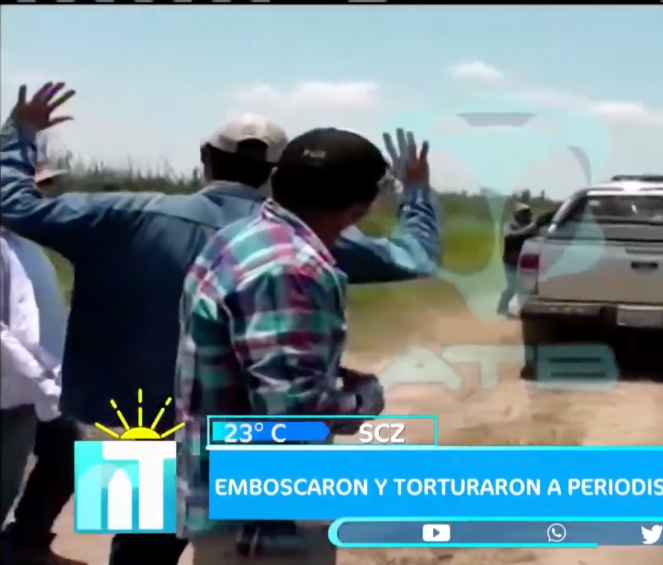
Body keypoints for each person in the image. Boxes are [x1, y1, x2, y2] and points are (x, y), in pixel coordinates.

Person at [0, 82, 439, 564]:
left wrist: (20, 135)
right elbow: (415, 256)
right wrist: (415, 192)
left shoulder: (122, 215)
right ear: (276, 175)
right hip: (243, 448)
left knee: (136, 553)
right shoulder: (292, 240)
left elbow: (15, 204)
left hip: (134, 421)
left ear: (206, 157)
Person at [177, 127, 405, 564]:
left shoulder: (238, 239)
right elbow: (294, 420)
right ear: (360, 208)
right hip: (264, 527)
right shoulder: (293, 270)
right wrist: (363, 399)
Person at [1, 218, 83, 565]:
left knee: (69, 452)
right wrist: (39, 378)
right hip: (16, 387)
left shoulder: (27, 246)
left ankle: (27, 542)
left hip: (40, 386)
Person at [498, 202, 539, 316]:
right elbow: (510, 236)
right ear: (517, 215)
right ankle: (502, 308)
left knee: (527, 289)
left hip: (525, 263)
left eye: (528, 213)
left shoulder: (530, 226)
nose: (527, 216)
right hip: (511, 262)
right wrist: (529, 229)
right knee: (512, 287)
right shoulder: (510, 225)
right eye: (524, 213)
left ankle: (525, 311)